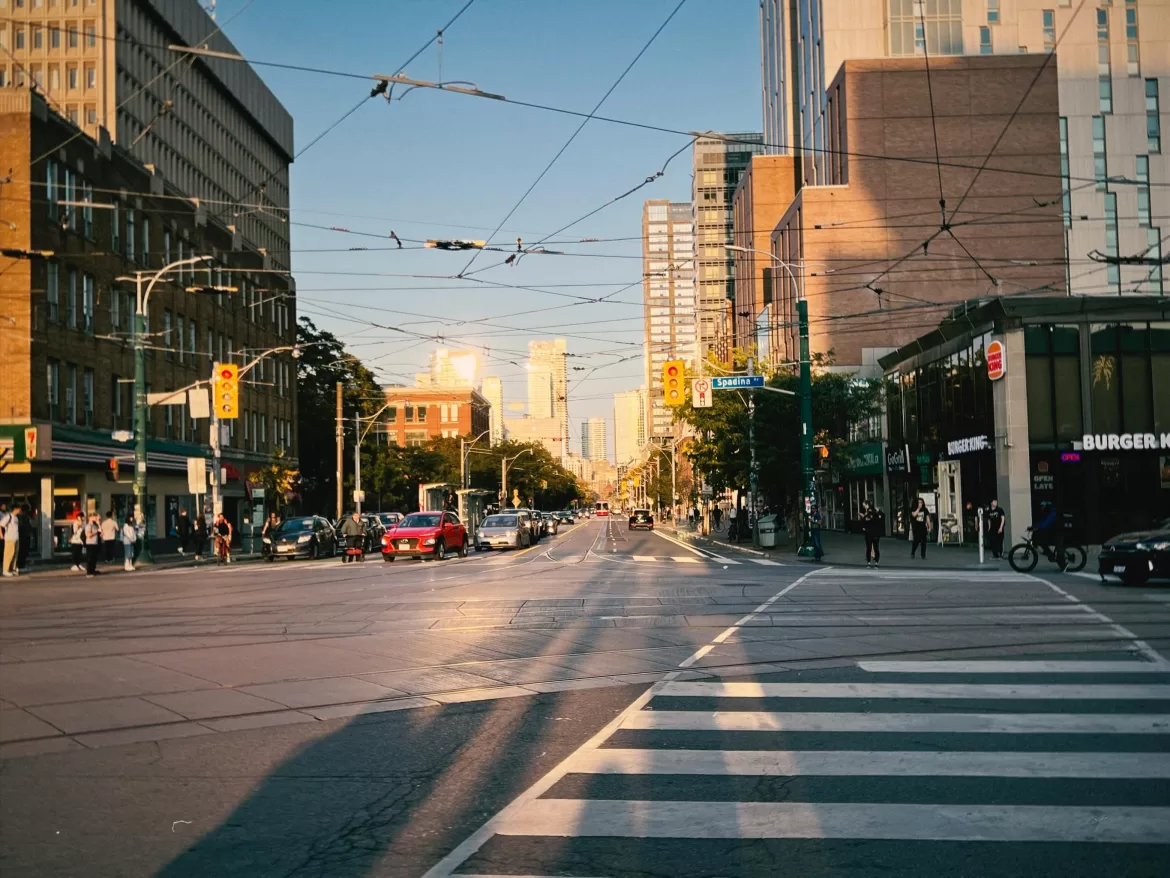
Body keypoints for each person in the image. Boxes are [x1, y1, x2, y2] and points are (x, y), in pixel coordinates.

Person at [1031, 500, 1066, 570]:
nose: (1041, 508)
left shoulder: (1053, 512)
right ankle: (1050, 555)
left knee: (1059, 547)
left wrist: (1036, 527)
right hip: (1052, 531)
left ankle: (1064, 565)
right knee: (1042, 541)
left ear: (1047, 506)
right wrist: (1034, 526)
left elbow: (1046, 523)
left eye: (1043, 506)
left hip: (1059, 531)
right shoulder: (1046, 513)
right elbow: (1042, 521)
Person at [863, 502, 885, 568]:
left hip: (870, 533)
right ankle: (876, 563)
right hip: (875, 533)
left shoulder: (869, 514)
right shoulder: (876, 514)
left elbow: (865, 520)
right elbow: (882, 516)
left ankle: (869, 563)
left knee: (869, 548)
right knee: (875, 548)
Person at [0, 505, 19, 577]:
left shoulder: (16, 518)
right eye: (18, 509)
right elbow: (1, 524)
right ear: (15, 509)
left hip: (16, 538)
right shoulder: (8, 517)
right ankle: (5, 570)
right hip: (9, 538)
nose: (19, 510)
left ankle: (12, 569)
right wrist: (1, 534)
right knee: (8, 554)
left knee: (15, 554)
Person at [83, 513, 103, 577]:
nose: (95, 518)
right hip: (90, 544)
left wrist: (99, 524)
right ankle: (89, 572)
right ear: (90, 518)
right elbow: (88, 535)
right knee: (90, 558)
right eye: (94, 517)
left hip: (95, 543)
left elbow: (101, 533)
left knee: (94, 558)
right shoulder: (88, 526)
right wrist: (96, 531)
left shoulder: (95, 525)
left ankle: (93, 570)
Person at [17, 505, 32, 572]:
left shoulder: (26, 516)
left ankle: (22, 565)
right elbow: (21, 526)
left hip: (25, 535)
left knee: (24, 551)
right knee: (22, 551)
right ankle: (20, 566)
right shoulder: (21, 517)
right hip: (23, 536)